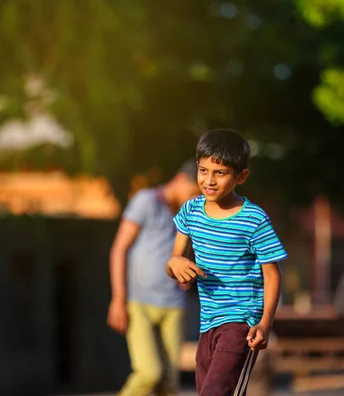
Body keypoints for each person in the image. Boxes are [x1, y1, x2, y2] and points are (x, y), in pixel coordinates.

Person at [166, 129, 288, 396]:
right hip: (208, 323)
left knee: (214, 393)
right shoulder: (190, 211)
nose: (209, 180)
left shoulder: (254, 219)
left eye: (219, 173)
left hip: (242, 323)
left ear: (240, 176)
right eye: (203, 170)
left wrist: (265, 323)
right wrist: (176, 265)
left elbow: (272, 274)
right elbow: (175, 260)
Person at [107, 161, 200, 396]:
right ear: (180, 180)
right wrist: (118, 298)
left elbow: (185, 255)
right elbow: (119, 249)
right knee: (149, 373)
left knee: (169, 382)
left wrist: (186, 275)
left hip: (173, 306)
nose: (193, 200)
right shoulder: (146, 201)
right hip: (140, 303)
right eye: (192, 194)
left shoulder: (188, 214)